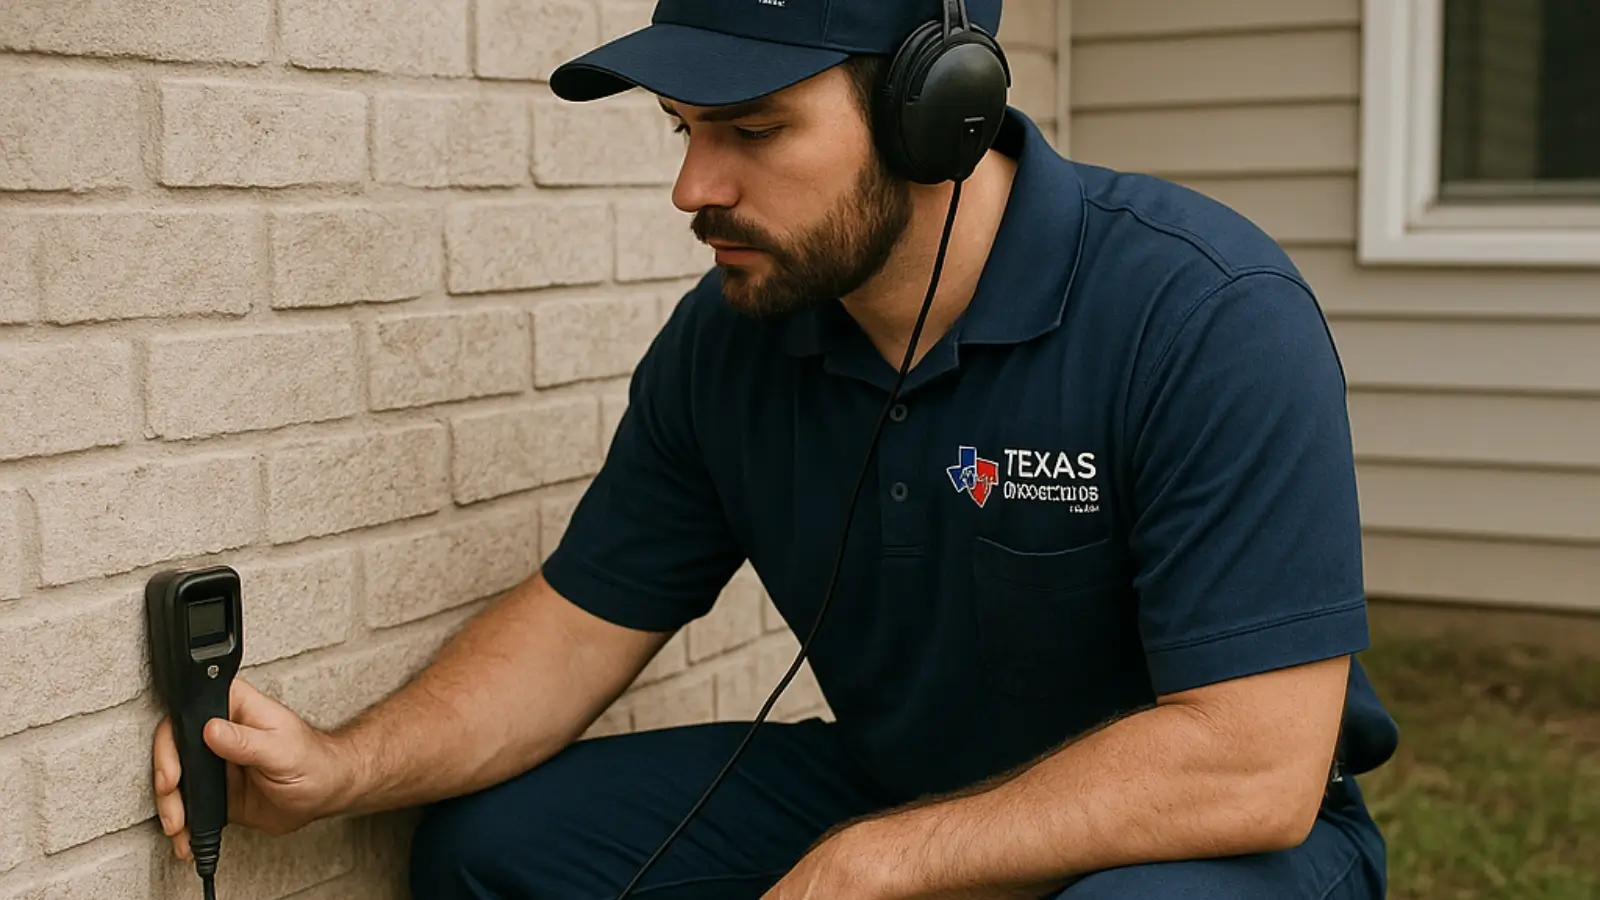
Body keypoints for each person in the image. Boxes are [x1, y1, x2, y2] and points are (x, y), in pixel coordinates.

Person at [151, 1, 1402, 897]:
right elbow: (576, 627)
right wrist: (338, 765)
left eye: (751, 131)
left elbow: (1253, 763)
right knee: (493, 850)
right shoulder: (730, 338)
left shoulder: (1203, 310)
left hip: (1211, 850)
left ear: (938, 114)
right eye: (682, 128)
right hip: (897, 782)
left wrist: (889, 858)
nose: (694, 186)